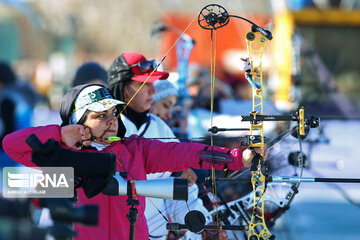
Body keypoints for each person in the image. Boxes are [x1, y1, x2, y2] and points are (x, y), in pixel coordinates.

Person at [2, 83, 263, 240]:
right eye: (100, 116)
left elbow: (185, 153)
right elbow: (11, 145)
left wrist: (238, 157)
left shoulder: (134, 149)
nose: (111, 120)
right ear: (79, 121)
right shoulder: (61, 156)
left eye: (113, 113)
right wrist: (60, 134)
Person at [108, 53, 206, 239]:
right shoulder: (103, 128)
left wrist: (200, 225)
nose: (153, 90)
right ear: (124, 89)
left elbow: (183, 184)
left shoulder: (159, 126)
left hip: (154, 233)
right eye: (144, 85)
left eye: (153, 84)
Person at [0, 62, 37, 169]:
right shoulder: (21, 94)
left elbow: (8, 130)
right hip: (25, 147)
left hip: (10, 152)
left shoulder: (8, 99)